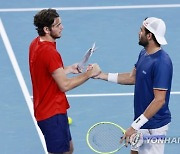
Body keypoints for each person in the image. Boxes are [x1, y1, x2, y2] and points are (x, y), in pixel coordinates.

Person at [95, 17, 173, 154]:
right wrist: (101, 75)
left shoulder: (162, 63)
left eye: (141, 30)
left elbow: (159, 100)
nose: (138, 32)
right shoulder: (144, 53)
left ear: (149, 36)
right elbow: (132, 77)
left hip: (154, 126)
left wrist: (134, 126)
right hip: (141, 120)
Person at [29, 9, 101, 154]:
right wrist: (89, 74)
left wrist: (68, 69)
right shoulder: (50, 53)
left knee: (69, 149)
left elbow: (45, 71)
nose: (62, 27)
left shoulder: (35, 43)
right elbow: (64, 85)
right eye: (58, 25)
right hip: (52, 113)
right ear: (47, 29)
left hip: (49, 109)